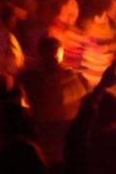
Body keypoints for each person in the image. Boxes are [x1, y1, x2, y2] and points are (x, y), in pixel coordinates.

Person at [22, 36, 89, 164]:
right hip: (66, 133)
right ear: (59, 53)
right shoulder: (73, 77)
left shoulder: (28, 79)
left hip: (41, 133)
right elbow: (82, 102)